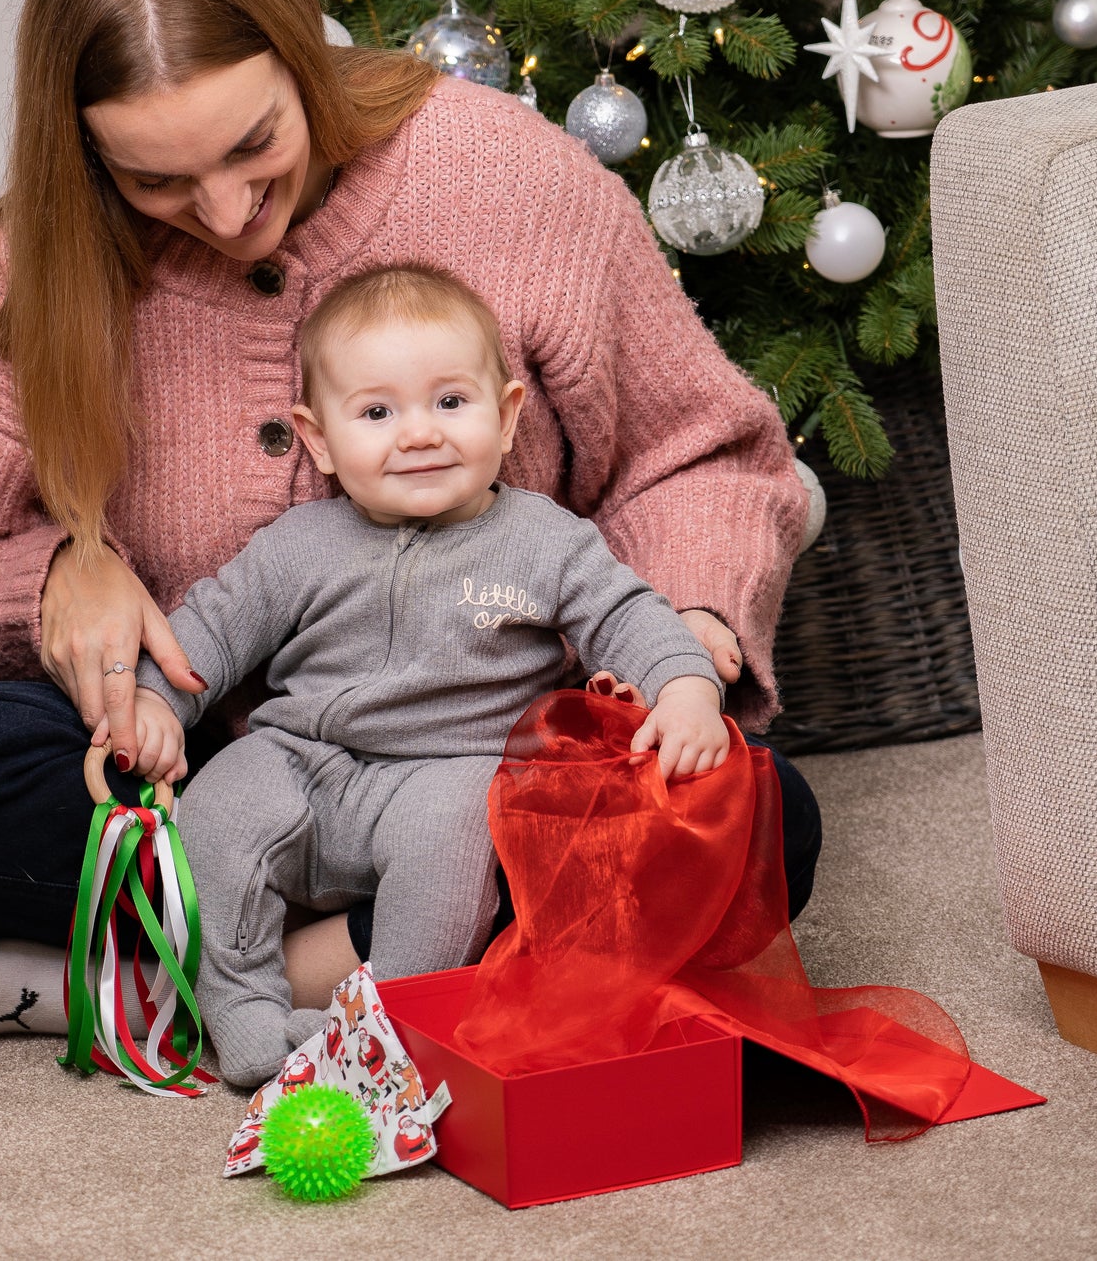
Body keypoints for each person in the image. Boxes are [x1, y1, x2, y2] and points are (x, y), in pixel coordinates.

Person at [0, 0, 820, 1046]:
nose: (227, 206)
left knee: (763, 823)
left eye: (255, 143)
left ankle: (158, 977)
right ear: (87, 154)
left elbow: (698, 451)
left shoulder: (507, 175)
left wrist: (686, 633)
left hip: (482, 761)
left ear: (302, 53)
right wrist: (58, 570)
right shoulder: (36, 266)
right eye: (155, 180)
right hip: (203, 761)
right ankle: (373, 948)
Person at [130, 264, 730, 1085]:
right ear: (317, 438)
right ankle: (243, 1013)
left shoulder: (541, 539)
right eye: (377, 412)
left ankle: (394, 1021)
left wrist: (685, 685)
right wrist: (152, 700)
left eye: (450, 402)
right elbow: (207, 629)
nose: (418, 433)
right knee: (219, 807)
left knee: (462, 833)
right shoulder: (299, 544)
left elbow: (627, 613)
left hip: (446, 772)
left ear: (507, 414)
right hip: (302, 758)